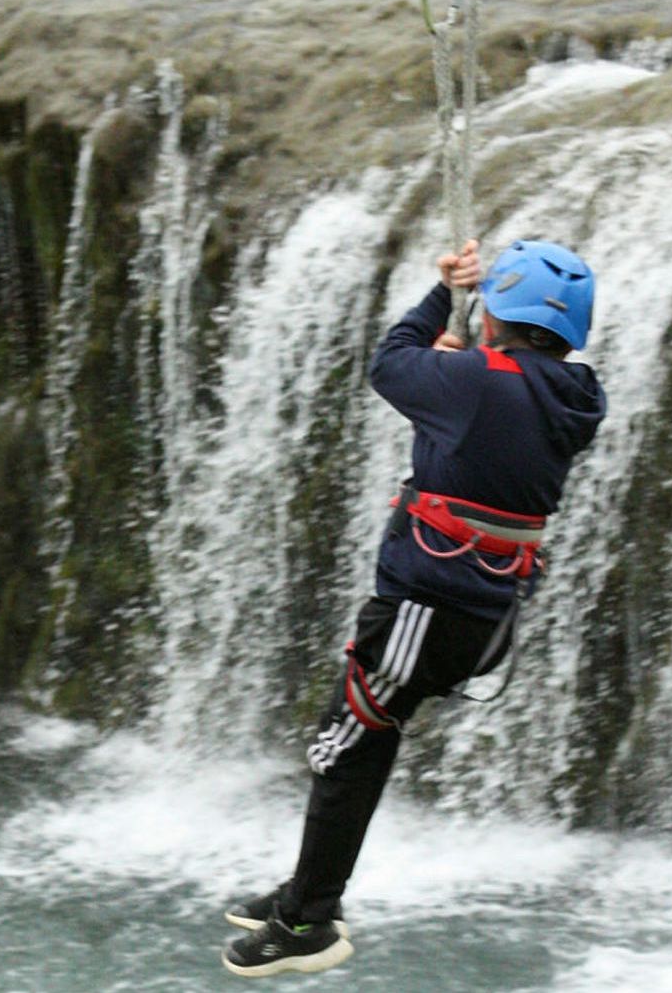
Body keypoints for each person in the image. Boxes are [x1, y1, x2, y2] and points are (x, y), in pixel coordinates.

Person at [221, 237, 607, 978]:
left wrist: (442, 299)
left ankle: (309, 919)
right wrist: (461, 353)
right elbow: (486, 409)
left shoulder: (471, 383)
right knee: (364, 740)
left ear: (494, 313)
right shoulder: (579, 395)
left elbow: (391, 361)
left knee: (344, 748)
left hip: (425, 611)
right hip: (483, 617)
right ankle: (306, 892)